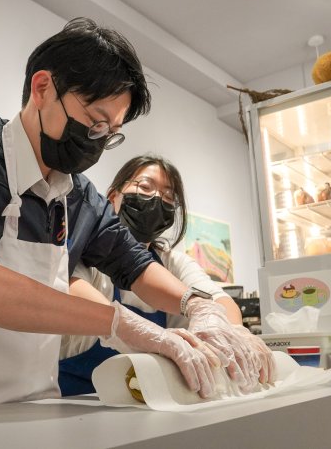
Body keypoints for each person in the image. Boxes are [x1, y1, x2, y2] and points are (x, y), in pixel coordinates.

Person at [0, 18, 222, 415]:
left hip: (35, 405)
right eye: (94, 122)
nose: (98, 140)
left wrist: (198, 305)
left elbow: (134, 264)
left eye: (110, 132)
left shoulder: (79, 196)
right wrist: (117, 322)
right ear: (42, 88)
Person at [60, 154, 275, 396]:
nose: (156, 200)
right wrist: (125, 326)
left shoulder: (172, 262)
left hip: (147, 403)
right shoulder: (86, 251)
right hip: (74, 401)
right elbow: (71, 289)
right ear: (112, 197)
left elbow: (218, 300)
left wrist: (233, 331)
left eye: (168, 197)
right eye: (145, 187)